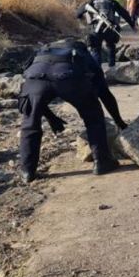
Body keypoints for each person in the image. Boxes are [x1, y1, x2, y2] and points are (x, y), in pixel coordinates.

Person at [17, 38, 129, 183]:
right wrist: (119, 122)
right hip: (69, 77)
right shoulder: (81, 52)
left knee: (30, 123)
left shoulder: (42, 51)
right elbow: (104, 93)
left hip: (34, 79)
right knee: (93, 116)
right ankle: (101, 161)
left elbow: (35, 93)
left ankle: (27, 171)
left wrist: (51, 117)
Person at [76, 0, 135, 67]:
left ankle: (97, 73)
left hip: (95, 30)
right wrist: (132, 25)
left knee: (96, 50)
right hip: (110, 30)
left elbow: (78, 13)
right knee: (111, 47)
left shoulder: (91, 2)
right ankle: (112, 68)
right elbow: (125, 14)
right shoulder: (113, 3)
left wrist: (82, 18)